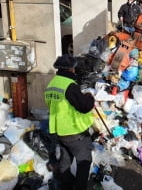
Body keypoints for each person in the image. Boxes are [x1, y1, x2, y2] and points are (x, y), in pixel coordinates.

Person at [45, 54, 95, 189]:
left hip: (60, 132)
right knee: (84, 162)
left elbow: (52, 104)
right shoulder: (69, 85)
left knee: (65, 160)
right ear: (71, 69)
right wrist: (89, 96)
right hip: (75, 131)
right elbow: (84, 106)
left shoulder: (52, 84)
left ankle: (66, 186)